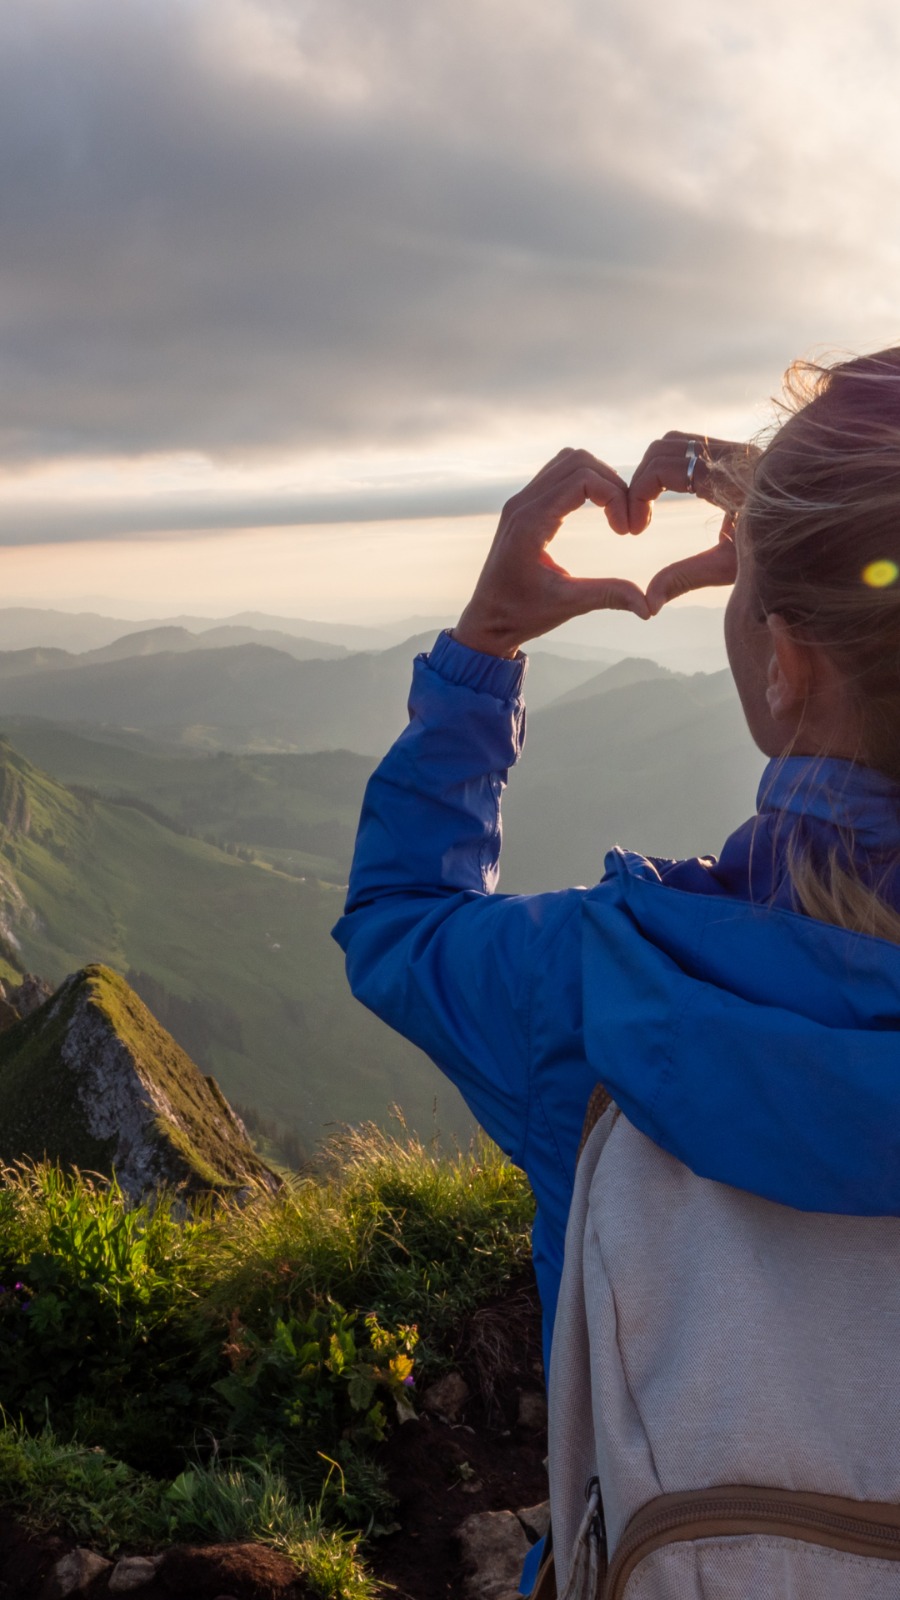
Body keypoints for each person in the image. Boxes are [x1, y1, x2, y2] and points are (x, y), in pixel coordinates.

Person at [332, 347, 900, 1588]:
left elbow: (397, 920)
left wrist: (485, 647)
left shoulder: (607, 988)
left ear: (786, 664)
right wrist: (786, 514)